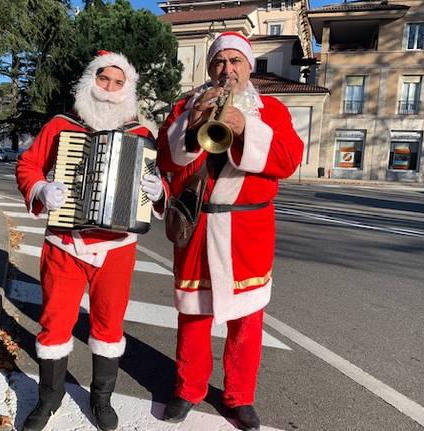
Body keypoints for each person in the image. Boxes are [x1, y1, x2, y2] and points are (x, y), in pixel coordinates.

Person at [156, 32, 304, 431]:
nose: (228, 70)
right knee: (193, 316)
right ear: (209, 68)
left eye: (236, 62)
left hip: (247, 229)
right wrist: (191, 123)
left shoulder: (270, 110)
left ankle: (240, 396)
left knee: (247, 320)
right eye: (220, 63)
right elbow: (167, 161)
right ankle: (189, 390)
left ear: (249, 67)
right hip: (199, 225)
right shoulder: (187, 105)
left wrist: (246, 129)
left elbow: (289, 160)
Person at [16, 51, 167, 431]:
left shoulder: (141, 136)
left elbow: (158, 187)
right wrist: (40, 187)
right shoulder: (61, 127)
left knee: (108, 325)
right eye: (104, 80)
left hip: (116, 248)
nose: (110, 90)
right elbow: (28, 164)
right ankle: (49, 398)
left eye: (119, 83)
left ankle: (101, 399)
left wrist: (158, 190)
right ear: (90, 81)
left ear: (128, 89)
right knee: (54, 324)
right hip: (65, 243)